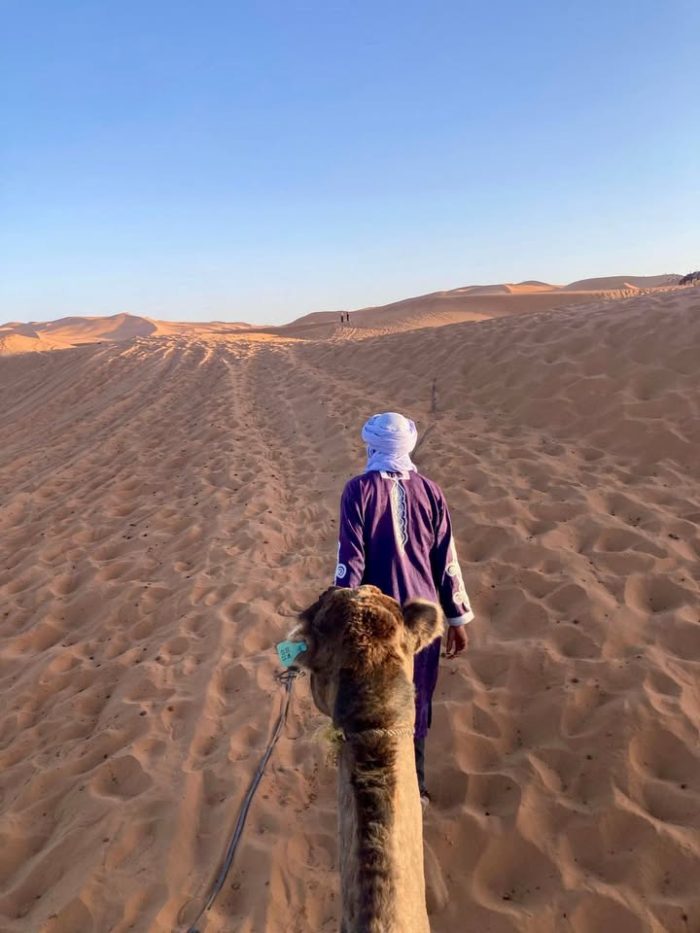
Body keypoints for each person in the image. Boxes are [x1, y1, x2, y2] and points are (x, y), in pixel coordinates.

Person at [333, 411, 474, 804]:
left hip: (379, 620)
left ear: (373, 447)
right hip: (425, 619)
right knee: (416, 697)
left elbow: (351, 559)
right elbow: (447, 561)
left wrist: (342, 615)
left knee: (379, 699)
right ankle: (417, 786)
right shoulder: (431, 490)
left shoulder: (357, 490)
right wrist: (457, 618)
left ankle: (386, 786)